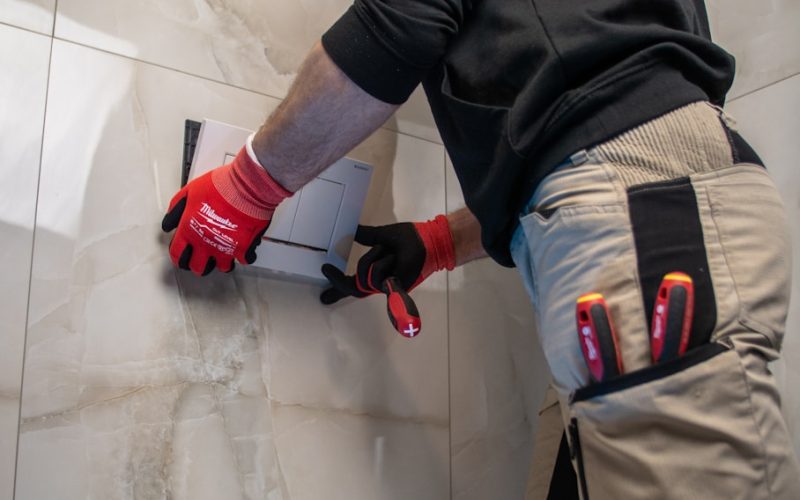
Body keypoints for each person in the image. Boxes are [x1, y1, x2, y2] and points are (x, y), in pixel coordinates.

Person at [161, 1, 800, 497]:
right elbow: (607, 111)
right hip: (665, 204)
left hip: (650, 216)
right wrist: (439, 243)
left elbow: (397, 26)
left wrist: (248, 187)